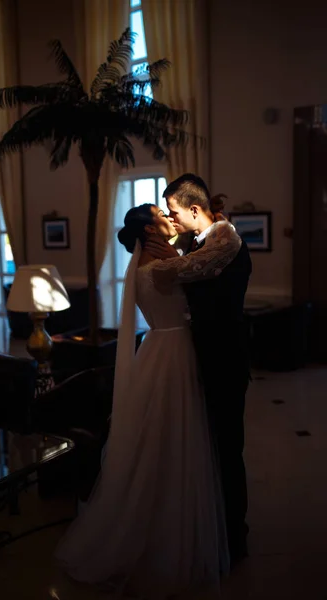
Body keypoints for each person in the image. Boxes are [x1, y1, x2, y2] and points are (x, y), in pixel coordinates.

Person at [55, 203, 242, 599]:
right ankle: (165, 536)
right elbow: (207, 265)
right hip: (173, 353)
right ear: (150, 233)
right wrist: (224, 228)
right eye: (163, 215)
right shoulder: (158, 271)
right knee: (173, 441)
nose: (171, 219)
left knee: (162, 439)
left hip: (159, 349)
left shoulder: (153, 268)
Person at [147, 173, 252, 565]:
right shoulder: (198, 240)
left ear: (195, 210)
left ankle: (234, 539)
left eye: (174, 212)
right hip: (201, 357)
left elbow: (169, 273)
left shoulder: (225, 240)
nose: (171, 220)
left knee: (227, 448)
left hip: (225, 360)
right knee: (205, 446)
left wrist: (161, 251)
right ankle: (210, 527)